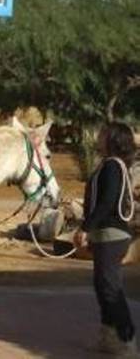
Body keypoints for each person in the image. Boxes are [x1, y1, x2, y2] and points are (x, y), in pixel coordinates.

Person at [74, 122, 138, 358]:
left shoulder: (112, 166)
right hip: (106, 236)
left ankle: (126, 339)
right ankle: (109, 337)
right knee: (103, 286)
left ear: (112, 138)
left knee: (110, 288)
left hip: (112, 236)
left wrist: (86, 228)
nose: (97, 137)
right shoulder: (110, 165)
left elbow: (107, 201)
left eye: (102, 134)